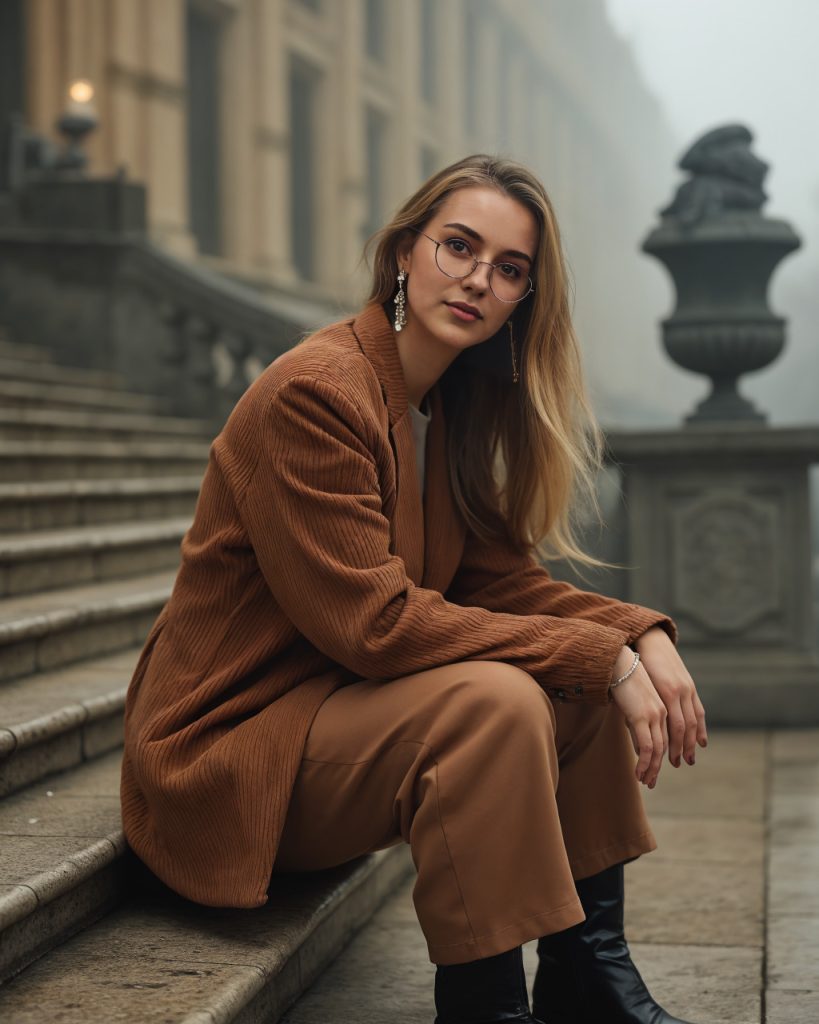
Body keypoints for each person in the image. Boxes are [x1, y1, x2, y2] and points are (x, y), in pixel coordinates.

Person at [121, 154, 707, 1024]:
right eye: (457, 247)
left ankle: (589, 978)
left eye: (509, 270)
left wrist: (634, 637)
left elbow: (501, 587)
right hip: (227, 758)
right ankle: (485, 1008)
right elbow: (374, 626)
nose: (477, 279)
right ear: (403, 252)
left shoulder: (450, 409)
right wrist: (603, 656)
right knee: (497, 702)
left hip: (331, 724)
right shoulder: (316, 394)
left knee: (575, 688)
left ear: (523, 301)